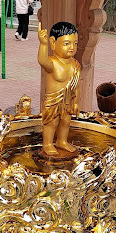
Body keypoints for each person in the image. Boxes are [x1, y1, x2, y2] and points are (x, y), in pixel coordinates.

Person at [38, 21, 81, 156]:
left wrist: (76, 102)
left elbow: (76, 86)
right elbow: (42, 61)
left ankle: (62, 141)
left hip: (68, 100)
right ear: (53, 43)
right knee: (52, 122)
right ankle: (47, 144)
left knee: (66, 121)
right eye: (67, 43)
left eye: (75, 43)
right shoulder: (53, 62)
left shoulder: (75, 64)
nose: (72, 47)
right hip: (53, 101)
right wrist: (43, 44)